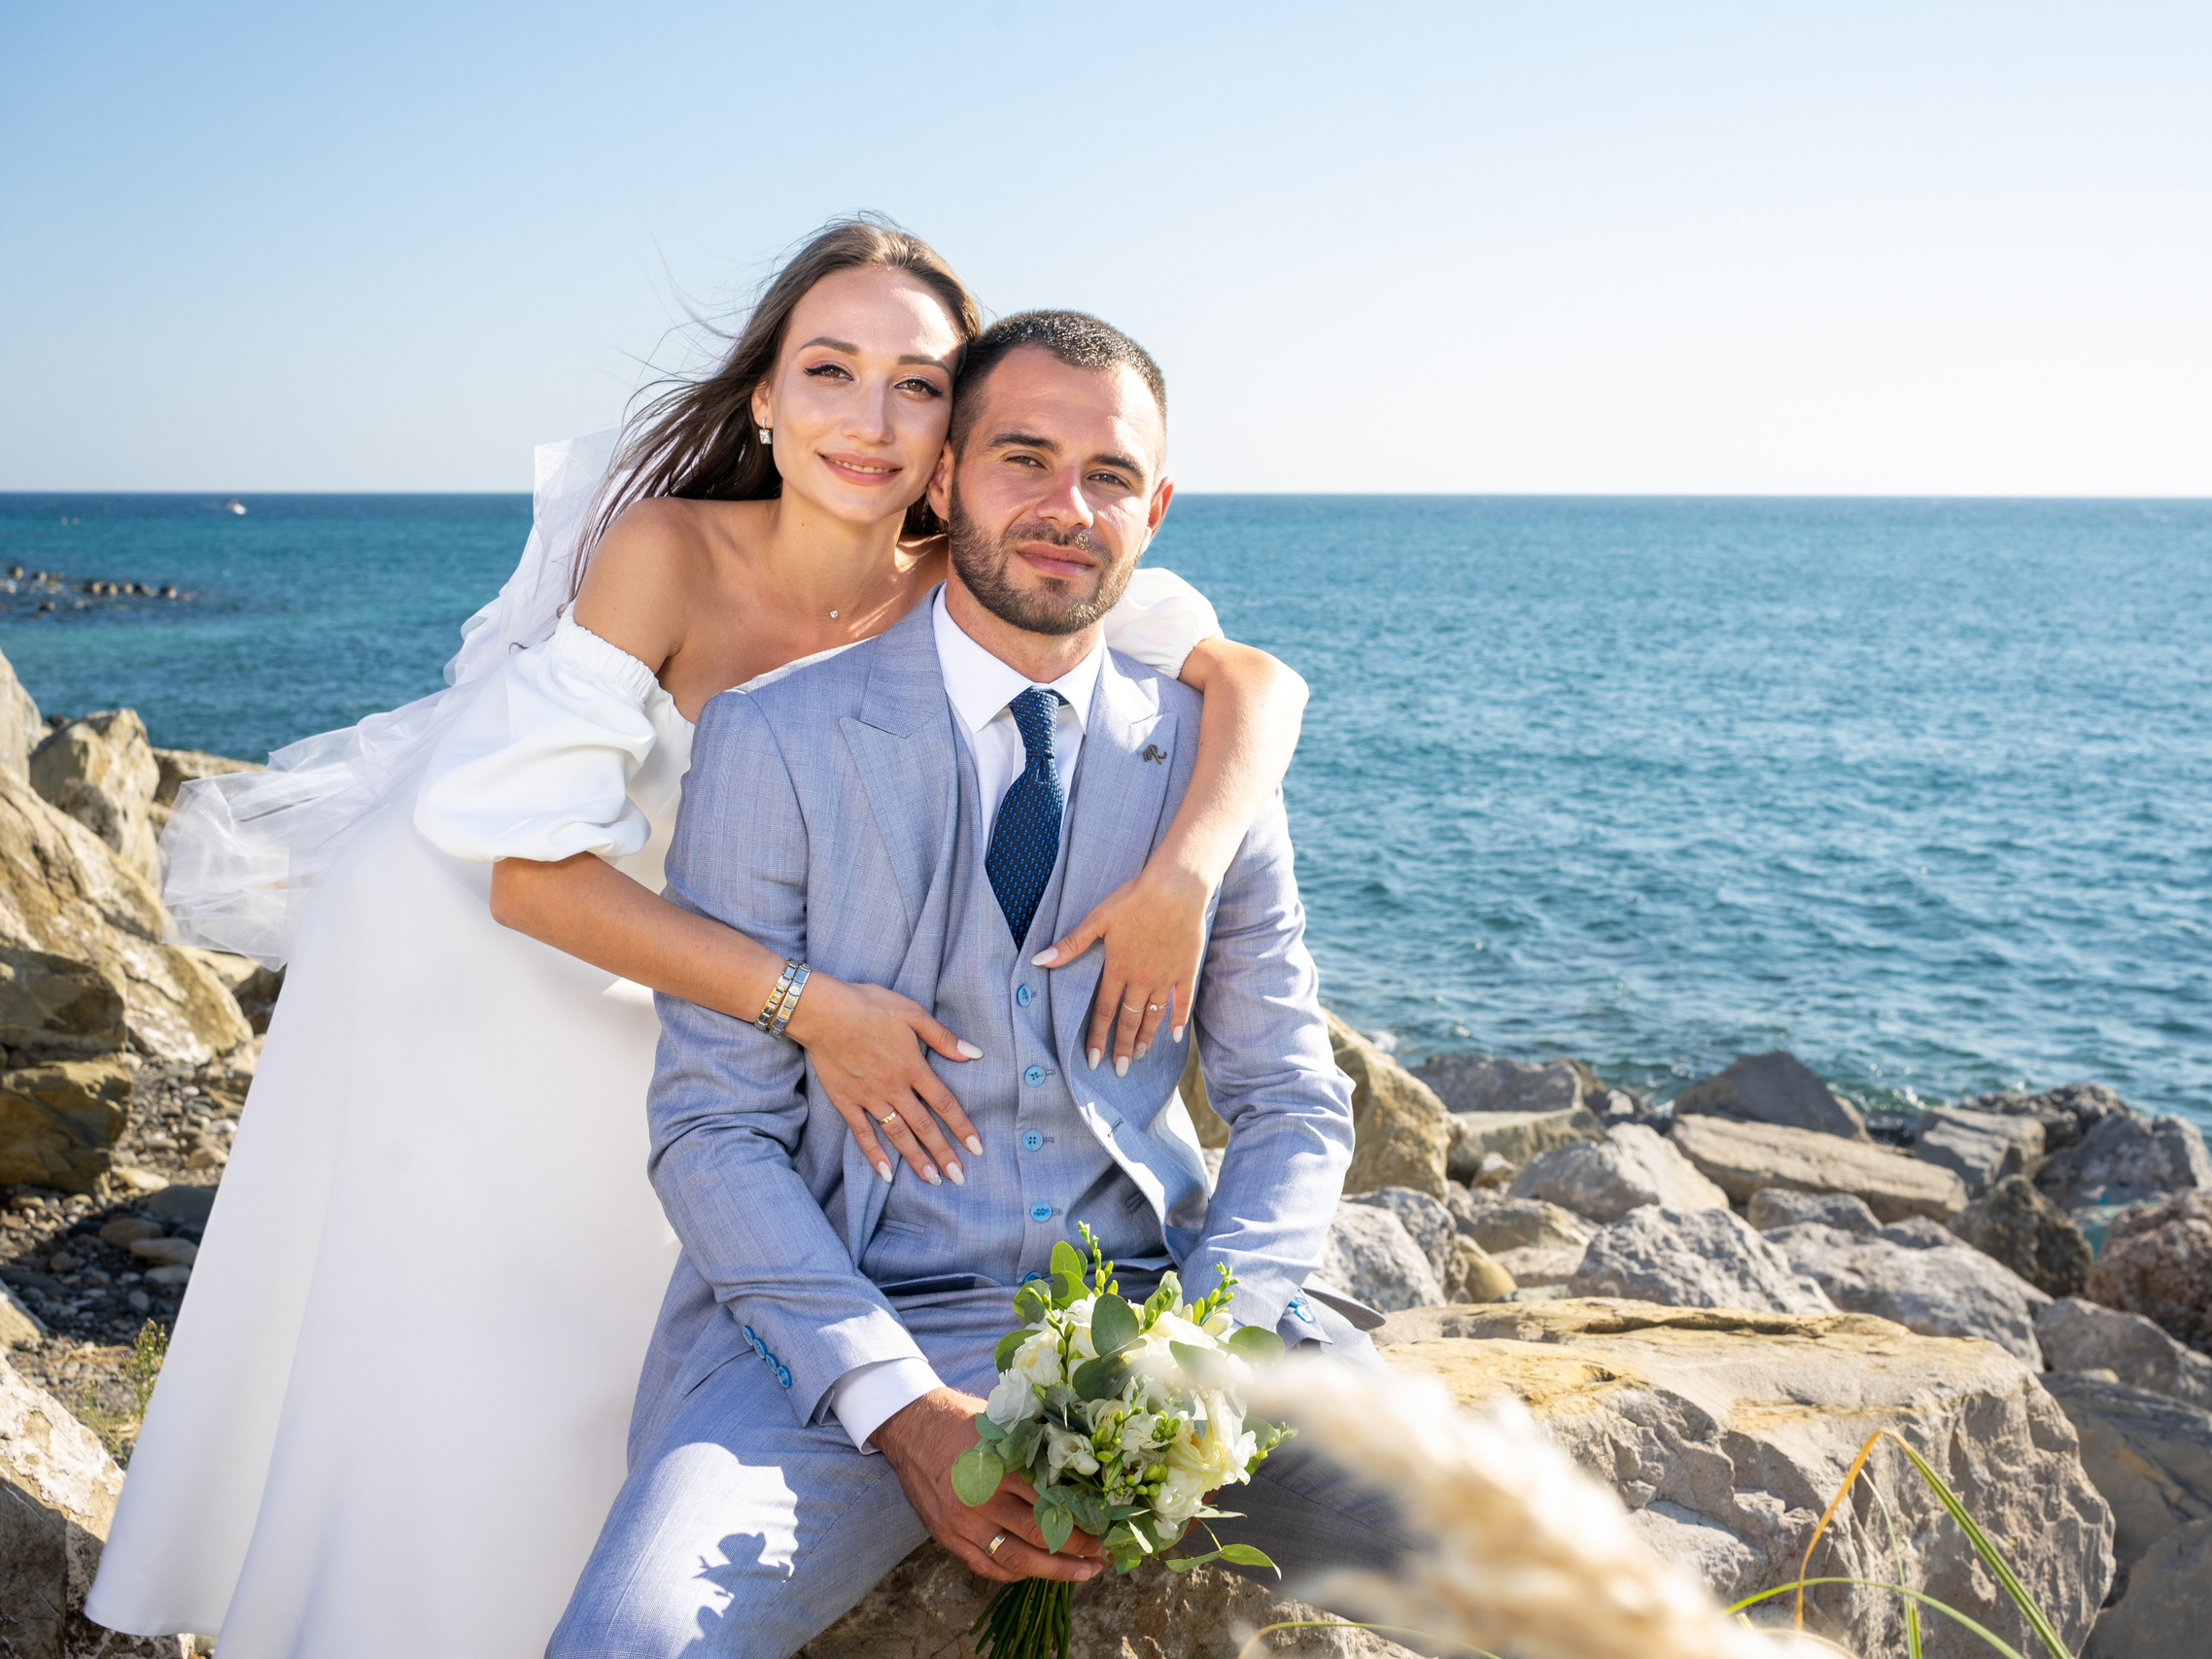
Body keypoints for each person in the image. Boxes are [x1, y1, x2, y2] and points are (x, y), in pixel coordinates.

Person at [87, 221, 1311, 1659]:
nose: (869, 418)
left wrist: (1188, 867)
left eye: (916, 386)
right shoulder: (670, 548)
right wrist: (813, 1008)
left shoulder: (971, 569)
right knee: (479, 1348)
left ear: (958, 428)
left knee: (652, 1316)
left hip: (691, 980)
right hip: (500, 963)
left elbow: (1256, 688)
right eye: (829, 370)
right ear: (765, 401)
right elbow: (527, 875)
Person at [547, 309, 1405, 1658]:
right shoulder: (773, 740)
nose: (1069, 507)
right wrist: (897, 1407)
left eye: (1110, 476)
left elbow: (1293, 1101)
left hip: (1160, 1305)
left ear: (1157, 508)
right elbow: (713, 1131)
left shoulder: (1206, 766)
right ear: (944, 481)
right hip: (842, 1333)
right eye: (1024, 458)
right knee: (631, 1643)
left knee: (1518, 1575)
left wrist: (1212, 1347)